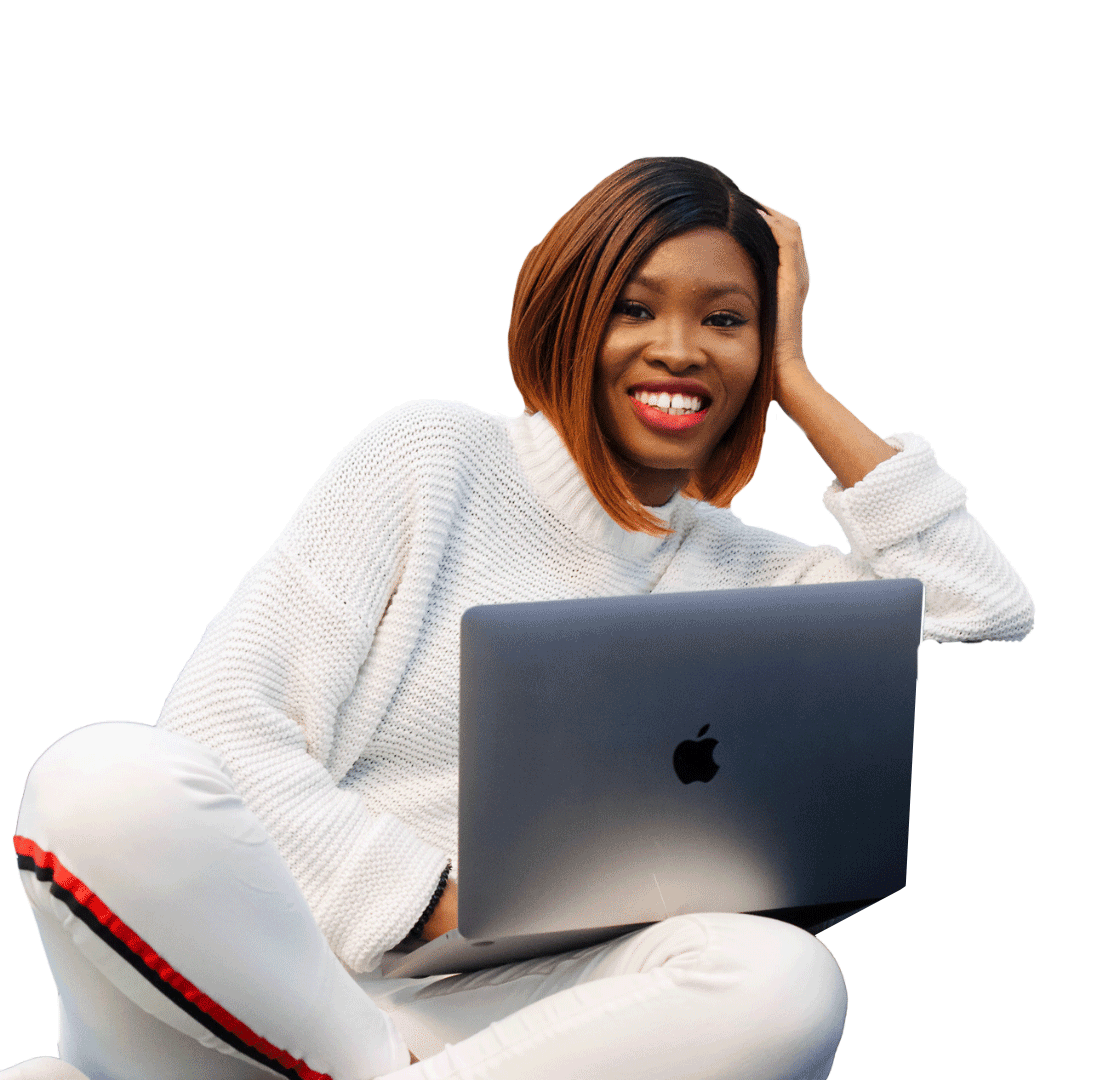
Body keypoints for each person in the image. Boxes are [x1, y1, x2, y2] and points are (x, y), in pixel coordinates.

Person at [11, 157, 1033, 1080]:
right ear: (572, 318)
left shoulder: (761, 579)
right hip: (249, 983)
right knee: (99, 781)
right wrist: (439, 901)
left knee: (783, 976)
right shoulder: (434, 459)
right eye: (635, 308)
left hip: (504, 1021)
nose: (679, 349)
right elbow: (219, 726)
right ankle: (367, 1063)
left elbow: (978, 602)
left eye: (725, 321)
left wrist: (797, 379)